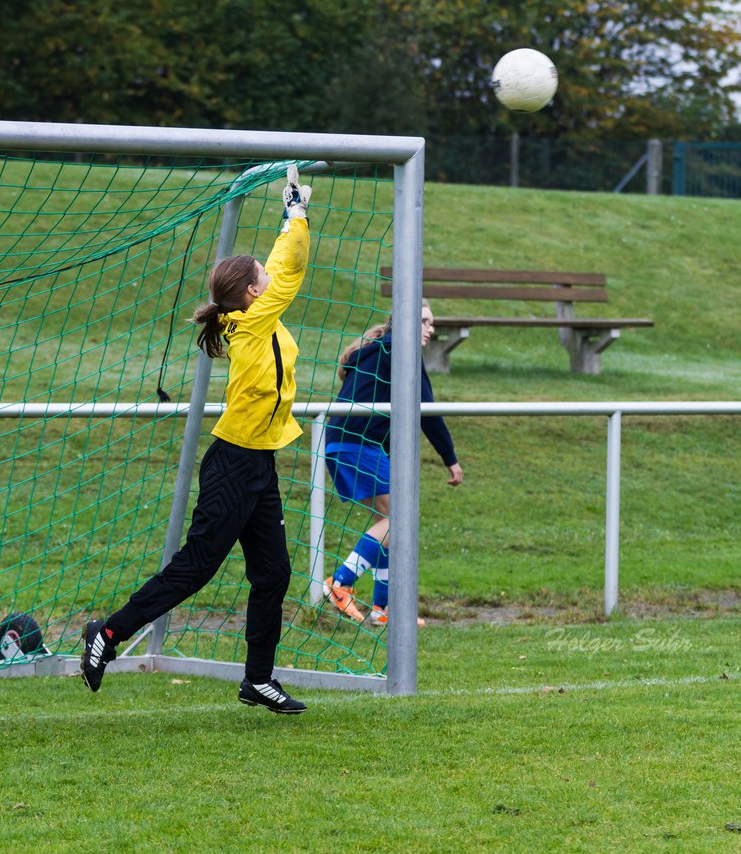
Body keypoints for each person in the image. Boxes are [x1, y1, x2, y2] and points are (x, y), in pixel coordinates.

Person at [80, 165, 313, 714]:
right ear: (253, 293)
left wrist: (291, 215)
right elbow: (291, 266)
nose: (269, 279)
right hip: (234, 464)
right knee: (196, 567)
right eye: (262, 276)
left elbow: (282, 270)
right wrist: (296, 214)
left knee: (273, 572)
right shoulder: (253, 323)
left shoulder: (256, 318)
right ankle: (107, 636)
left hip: (259, 465)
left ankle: (258, 680)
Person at [322, 302, 463, 625]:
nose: (430, 329)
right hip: (356, 444)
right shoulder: (400, 350)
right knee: (398, 518)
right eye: (424, 321)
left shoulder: (378, 350)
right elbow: (425, 409)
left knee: (389, 522)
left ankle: (382, 610)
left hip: (342, 442)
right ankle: (341, 582)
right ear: (405, 322)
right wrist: (450, 459)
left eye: (431, 323)